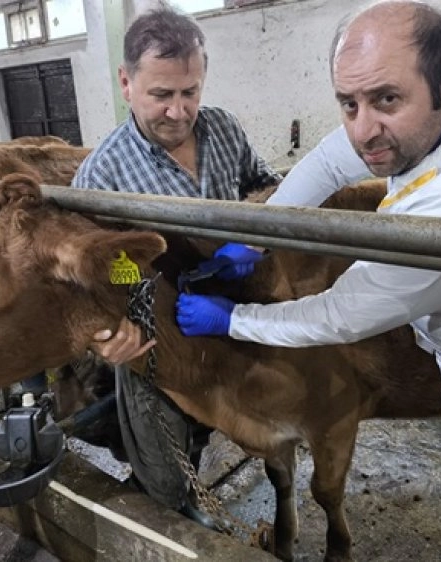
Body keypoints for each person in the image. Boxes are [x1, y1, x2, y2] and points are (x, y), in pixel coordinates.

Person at [174, 2, 441, 561]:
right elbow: (335, 158)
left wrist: (234, 319)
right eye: (348, 103)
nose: (362, 129)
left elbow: (340, 314)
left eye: (385, 100)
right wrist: (261, 233)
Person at [70, 6, 280, 524]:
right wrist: (108, 332)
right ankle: (169, 506)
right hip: (154, 330)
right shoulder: (100, 175)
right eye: (161, 94)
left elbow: (267, 185)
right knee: (163, 474)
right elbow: (85, 280)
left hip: (228, 310)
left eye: (191, 92)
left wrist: (252, 240)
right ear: (126, 83)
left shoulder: (224, 129)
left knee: (250, 418)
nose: (179, 111)